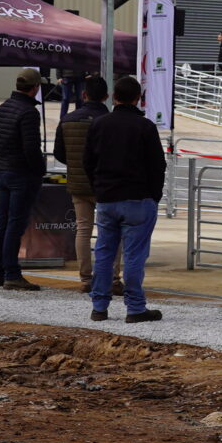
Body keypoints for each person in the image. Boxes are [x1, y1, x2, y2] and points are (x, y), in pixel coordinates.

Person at [83, 75, 165, 324]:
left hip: (107, 198)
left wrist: (98, 188)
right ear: (138, 98)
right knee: (134, 256)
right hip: (138, 199)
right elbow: (157, 166)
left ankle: (99, 306)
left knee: (104, 253)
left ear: (114, 97)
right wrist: (154, 196)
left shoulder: (99, 124)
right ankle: (135, 307)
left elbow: (88, 162)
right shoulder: (146, 127)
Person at [0, 69, 47, 291]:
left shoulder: (2, 108)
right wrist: (39, 170)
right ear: (35, 88)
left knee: (2, 223)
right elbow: (31, 148)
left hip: (2, 170)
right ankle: (12, 273)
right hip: (21, 174)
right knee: (15, 224)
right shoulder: (29, 113)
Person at [55, 75, 111, 293]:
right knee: (110, 231)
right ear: (106, 96)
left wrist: (75, 164)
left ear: (83, 94)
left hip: (78, 183)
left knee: (83, 230)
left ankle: (85, 279)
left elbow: (59, 153)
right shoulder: (109, 120)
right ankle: (112, 278)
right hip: (106, 184)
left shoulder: (67, 119)